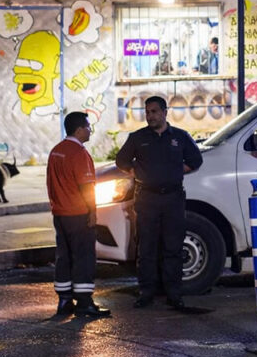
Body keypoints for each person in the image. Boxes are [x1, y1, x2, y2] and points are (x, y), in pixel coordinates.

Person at [116, 96, 203, 310]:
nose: (150, 116)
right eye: (147, 112)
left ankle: (174, 295)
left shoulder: (180, 137)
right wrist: (136, 172)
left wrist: (174, 172)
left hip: (173, 199)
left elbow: (195, 161)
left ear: (165, 112)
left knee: (173, 247)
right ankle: (146, 293)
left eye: (154, 111)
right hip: (147, 199)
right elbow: (121, 161)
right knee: (146, 248)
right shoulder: (138, 138)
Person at [47, 111, 110, 318]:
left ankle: (64, 300)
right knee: (83, 257)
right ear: (79, 129)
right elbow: (86, 188)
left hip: (60, 214)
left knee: (63, 256)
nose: (90, 130)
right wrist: (92, 212)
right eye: (88, 126)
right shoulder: (79, 154)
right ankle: (84, 303)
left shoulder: (56, 151)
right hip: (78, 214)